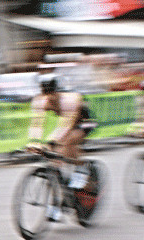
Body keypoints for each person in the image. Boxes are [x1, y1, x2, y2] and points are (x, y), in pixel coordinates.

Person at [25, 73, 98, 220]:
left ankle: (81, 169)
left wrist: (52, 140)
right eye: (45, 94)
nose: (49, 98)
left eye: (51, 93)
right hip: (66, 125)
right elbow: (36, 123)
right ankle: (56, 203)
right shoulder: (40, 101)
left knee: (69, 140)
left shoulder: (70, 100)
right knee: (53, 163)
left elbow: (66, 125)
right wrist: (34, 142)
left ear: (57, 91)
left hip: (83, 121)